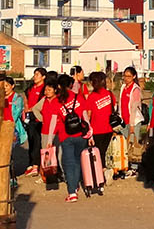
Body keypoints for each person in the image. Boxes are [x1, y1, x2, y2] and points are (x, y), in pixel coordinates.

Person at [47, 75, 89, 203]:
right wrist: (90, 133)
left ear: (58, 86)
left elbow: (53, 121)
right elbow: (85, 116)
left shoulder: (56, 101)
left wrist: (50, 139)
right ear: (71, 85)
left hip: (65, 136)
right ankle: (75, 185)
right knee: (77, 161)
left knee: (68, 163)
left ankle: (72, 192)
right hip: (81, 135)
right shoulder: (79, 97)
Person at [85, 72, 116, 180]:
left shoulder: (92, 97)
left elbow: (88, 115)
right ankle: (104, 171)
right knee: (102, 152)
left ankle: (101, 172)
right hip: (109, 129)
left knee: (97, 153)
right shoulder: (109, 94)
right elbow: (114, 108)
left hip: (96, 129)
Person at [113, 68, 143, 177]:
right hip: (124, 119)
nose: (126, 78)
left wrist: (132, 124)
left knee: (133, 143)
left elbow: (134, 108)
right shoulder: (123, 87)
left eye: (129, 76)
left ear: (134, 77)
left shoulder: (135, 89)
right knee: (125, 144)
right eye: (125, 76)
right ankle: (127, 165)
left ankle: (134, 168)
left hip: (134, 120)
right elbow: (121, 103)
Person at [23, 67, 47, 176]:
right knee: (31, 141)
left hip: (39, 118)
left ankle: (36, 165)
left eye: (37, 74)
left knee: (37, 142)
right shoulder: (31, 88)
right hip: (30, 117)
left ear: (43, 77)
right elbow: (27, 101)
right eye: (34, 74)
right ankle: (31, 163)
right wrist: (26, 110)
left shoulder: (44, 89)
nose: (35, 76)